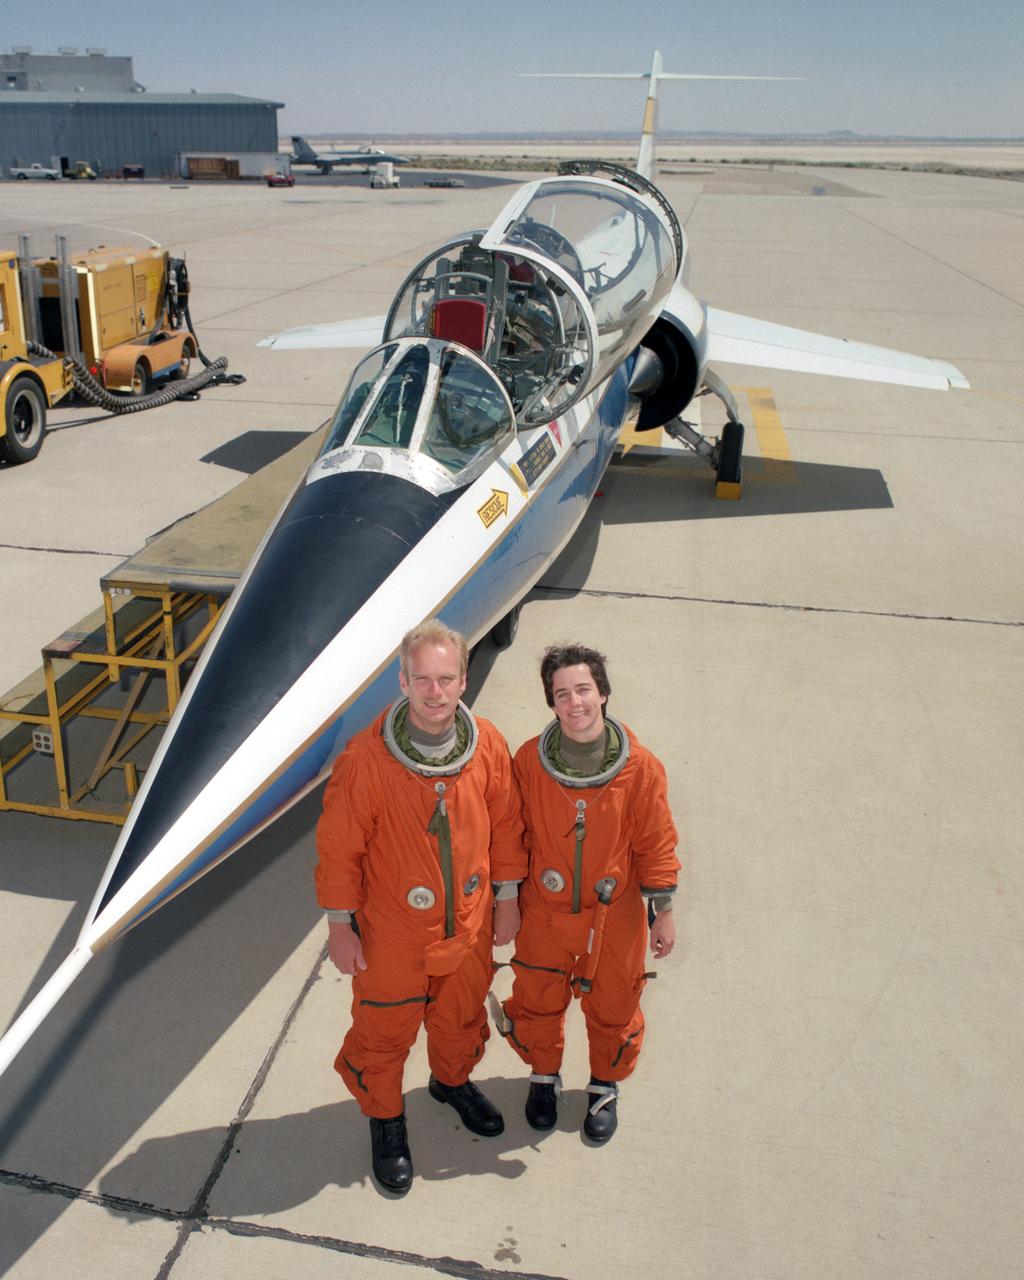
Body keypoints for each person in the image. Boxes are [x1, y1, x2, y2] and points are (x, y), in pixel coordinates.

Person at [315, 620, 525, 1194]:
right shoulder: (365, 761)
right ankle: (385, 1118)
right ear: (403, 682)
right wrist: (340, 926)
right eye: (423, 680)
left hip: (471, 926)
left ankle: (450, 1081)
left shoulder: (488, 746)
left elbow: (508, 827)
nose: (436, 692)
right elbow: (339, 851)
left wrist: (507, 900)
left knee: (460, 1017)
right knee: (384, 1030)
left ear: (463, 681)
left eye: (447, 679)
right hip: (393, 935)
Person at [497, 643, 679, 1143]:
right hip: (544, 909)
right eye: (562, 694)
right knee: (537, 996)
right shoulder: (528, 762)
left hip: (613, 913)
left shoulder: (640, 768)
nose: (574, 702)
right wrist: (506, 898)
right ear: (551, 703)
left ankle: (603, 1084)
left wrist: (662, 910)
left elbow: (656, 842)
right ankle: (544, 1074)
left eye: (583, 689)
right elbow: (511, 834)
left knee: (615, 1003)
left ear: (602, 693)